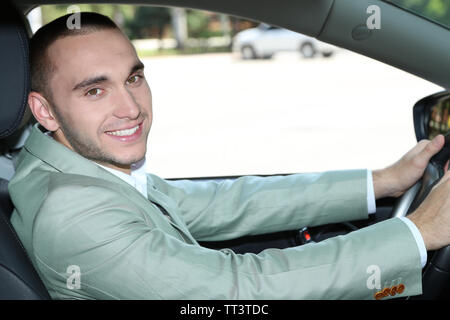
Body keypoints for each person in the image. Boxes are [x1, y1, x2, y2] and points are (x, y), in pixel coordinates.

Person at [9, 12, 450, 300]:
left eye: (135, 78)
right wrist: (418, 232)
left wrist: (381, 181)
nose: (130, 108)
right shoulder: (73, 209)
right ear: (44, 110)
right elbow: (234, 289)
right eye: (95, 90)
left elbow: (225, 201)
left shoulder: (71, 167)